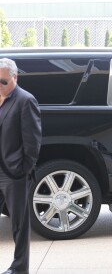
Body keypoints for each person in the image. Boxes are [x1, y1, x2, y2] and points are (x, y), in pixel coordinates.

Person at [0, 58, 42, 274]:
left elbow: (33, 142)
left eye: (3, 81)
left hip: (14, 174)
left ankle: (19, 268)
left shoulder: (25, 101)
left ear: (15, 78)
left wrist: (23, 170)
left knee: (19, 225)